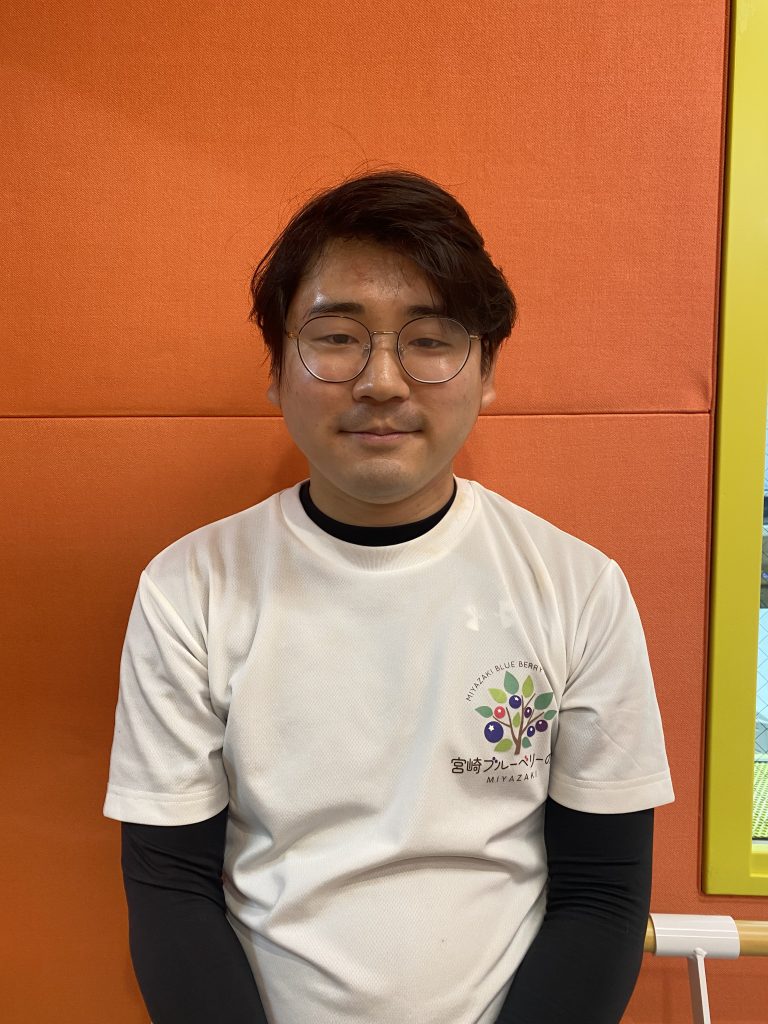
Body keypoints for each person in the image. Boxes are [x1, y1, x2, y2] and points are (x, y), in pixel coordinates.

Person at [104, 169, 675, 1024]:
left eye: (430, 339)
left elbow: (602, 893)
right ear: (276, 369)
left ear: (487, 370)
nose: (381, 381)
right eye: (336, 337)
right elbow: (170, 890)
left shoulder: (578, 588)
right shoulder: (189, 590)